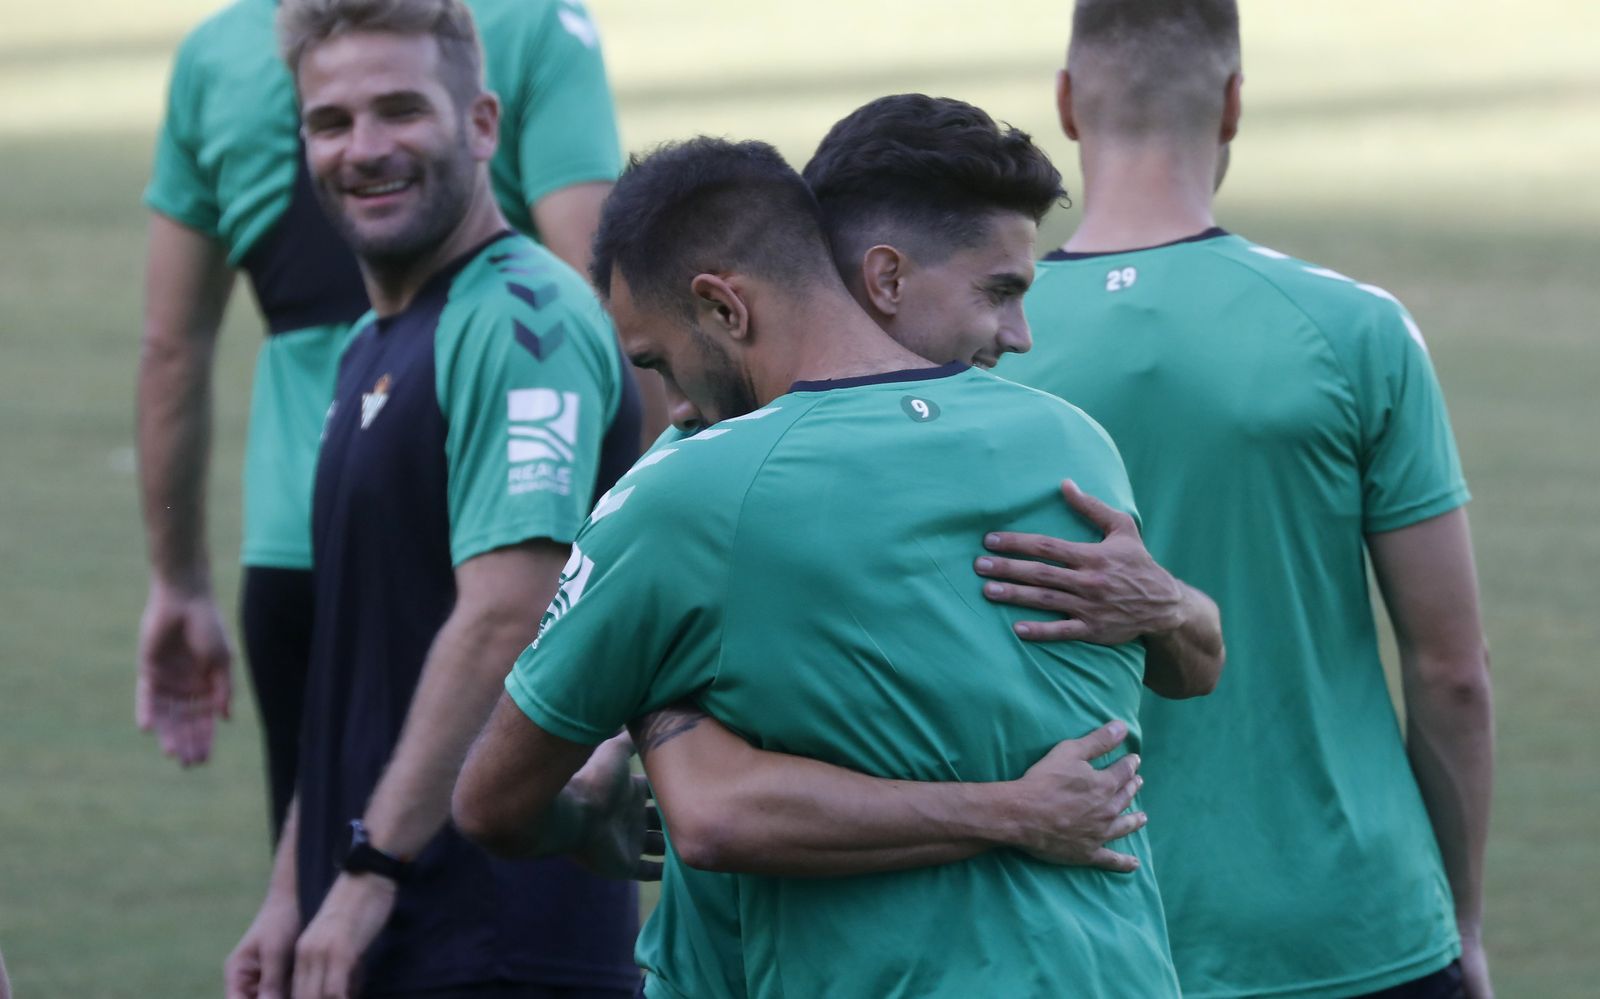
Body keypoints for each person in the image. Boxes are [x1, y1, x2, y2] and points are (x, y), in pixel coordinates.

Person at [455, 136, 1182, 998]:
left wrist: (607, 775)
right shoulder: (1073, 440)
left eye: (658, 363)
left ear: (724, 306)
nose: (675, 407)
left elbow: (492, 802)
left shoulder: (685, 496)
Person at [978, 2, 1495, 996]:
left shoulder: (974, 347)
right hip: (1349, 932)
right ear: (1232, 105)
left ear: (1067, 105)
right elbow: (1452, 672)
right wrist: (1461, 921)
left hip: (1079, 931)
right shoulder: (1356, 329)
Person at [135, 0, 645, 840]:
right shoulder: (530, 22)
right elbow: (616, 306)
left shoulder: (218, 50)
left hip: (297, 547)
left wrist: (180, 580)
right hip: (508, 535)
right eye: (332, 123)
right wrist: (635, 578)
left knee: (327, 874)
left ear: (479, 121)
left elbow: (171, 346)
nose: (365, 144)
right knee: (505, 881)